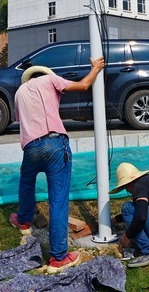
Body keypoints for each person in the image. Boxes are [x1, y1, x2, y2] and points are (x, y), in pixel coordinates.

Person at [10, 56, 105, 273]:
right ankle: (59, 257)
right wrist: (95, 68)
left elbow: (22, 122)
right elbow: (83, 85)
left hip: (30, 147)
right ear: (44, 74)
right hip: (55, 143)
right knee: (58, 200)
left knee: (26, 181)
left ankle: (23, 220)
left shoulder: (20, 92)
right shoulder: (50, 80)